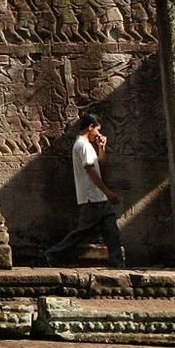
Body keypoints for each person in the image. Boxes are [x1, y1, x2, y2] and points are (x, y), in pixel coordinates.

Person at [41, 112, 125, 267]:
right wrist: (108, 192)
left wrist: (101, 147)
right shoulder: (82, 146)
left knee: (111, 233)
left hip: (98, 198)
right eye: (97, 130)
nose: (98, 134)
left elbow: (100, 164)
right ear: (90, 127)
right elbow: (91, 172)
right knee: (83, 233)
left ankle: (117, 263)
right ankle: (53, 253)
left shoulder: (87, 146)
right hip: (92, 198)